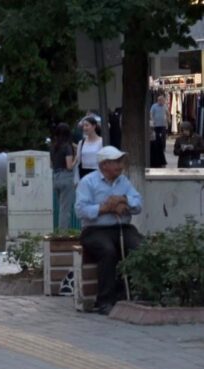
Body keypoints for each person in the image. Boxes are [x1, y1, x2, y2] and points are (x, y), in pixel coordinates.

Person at [75, 146, 143, 315]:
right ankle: (104, 300)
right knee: (108, 251)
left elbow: (138, 204)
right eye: (116, 162)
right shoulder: (88, 182)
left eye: (121, 161)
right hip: (95, 229)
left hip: (121, 226)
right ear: (104, 165)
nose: (120, 165)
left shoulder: (124, 181)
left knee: (140, 247)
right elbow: (81, 210)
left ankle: (132, 292)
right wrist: (105, 208)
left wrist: (122, 200)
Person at [51, 123, 75, 230]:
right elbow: (69, 166)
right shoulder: (67, 147)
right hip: (66, 177)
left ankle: (60, 230)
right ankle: (63, 233)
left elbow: (50, 164)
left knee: (61, 207)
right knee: (65, 208)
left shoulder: (53, 147)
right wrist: (77, 159)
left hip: (55, 178)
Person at [150, 95, 170, 168]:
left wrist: (168, 120)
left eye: (163, 100)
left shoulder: (165, 106)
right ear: (158, 100)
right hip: (156, 125)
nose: (162, 102)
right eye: (160, 100)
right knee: (157, 138)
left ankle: (163, 147)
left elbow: (167, 113)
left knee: (163, 137)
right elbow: (151, 113)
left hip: (163, 125)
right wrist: (152, 120)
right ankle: (159, 147)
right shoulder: (154, 106)